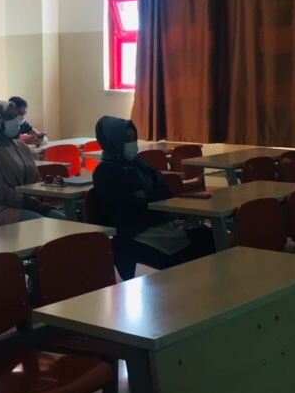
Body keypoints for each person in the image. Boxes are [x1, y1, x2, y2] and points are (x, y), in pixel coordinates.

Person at [91, 116, 214, 280]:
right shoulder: (105, 172)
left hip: (160, 223)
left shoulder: (139, 163)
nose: (132, 143)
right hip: (136, 233)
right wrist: (149, 199)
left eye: (133, 138)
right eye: (126, 140)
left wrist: (146, 196)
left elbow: (165, 192)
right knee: (196, 247)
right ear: (113, 141)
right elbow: (125, 211)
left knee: (209, 237)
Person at [0, 100, 66, 226]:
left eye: (14, 116)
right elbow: (0, 190)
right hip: (3, 209)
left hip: (32, 204)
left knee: (62, 219)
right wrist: (27, 202)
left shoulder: (21, 146)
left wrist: (44, 193)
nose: (14, 121)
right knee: (41, 223)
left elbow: (36, 178)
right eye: (8, 117)